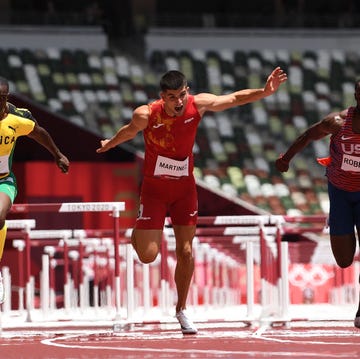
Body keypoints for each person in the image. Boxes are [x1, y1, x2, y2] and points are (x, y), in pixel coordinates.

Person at [97, 67, 287, 334]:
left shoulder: (198, 105)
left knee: (186, 251)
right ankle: (138, 234)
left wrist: (264, 92)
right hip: (154, 189)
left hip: (185, 189)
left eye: (182, 95)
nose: (179, 102)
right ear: (163, 97)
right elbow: (128, 131)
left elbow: (233, 99)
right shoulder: (146, 114)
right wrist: (110, 143)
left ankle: (181, 309)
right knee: (148, 255)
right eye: (172, 97)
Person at [275, 79, 360, 329]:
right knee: (344, 259)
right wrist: (286, 159)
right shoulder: (337, 122)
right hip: (341, 193)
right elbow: (307, 136)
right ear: (356, 94)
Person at [0, 77, 70, 304]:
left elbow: (39, 133)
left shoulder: (17, 118)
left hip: (3, 181)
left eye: (1, 99)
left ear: (6, 98)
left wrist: (57, 155)